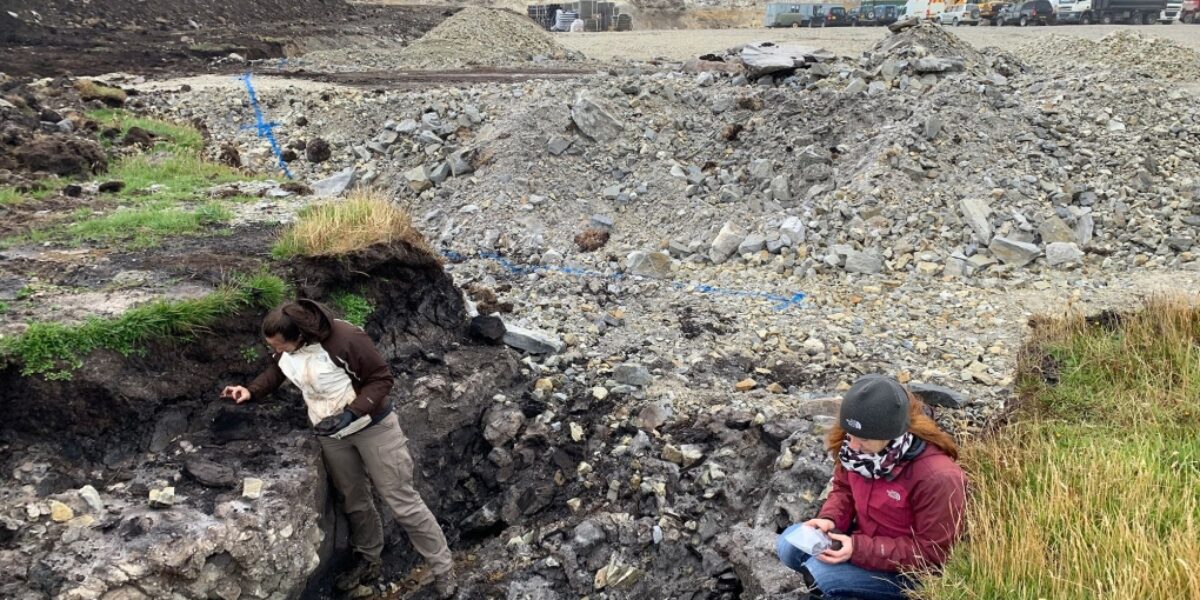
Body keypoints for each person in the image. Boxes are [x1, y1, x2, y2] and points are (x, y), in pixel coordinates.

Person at [221, 299, 457, 598]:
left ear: (300, 336)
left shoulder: (346, 339)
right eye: (273, 346)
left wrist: (351, 413)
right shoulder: (287, 350)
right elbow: (278, 368)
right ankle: (369, 559)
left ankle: (443, 568)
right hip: (330, 432)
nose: (276, 350)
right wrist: (251, 390)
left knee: (402, 501)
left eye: (281, 344)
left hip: (373, 427)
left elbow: (381, 379)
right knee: (354, 500)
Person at [776, 375, 968, 599]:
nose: (854, 446)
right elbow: (843, 489)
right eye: (851, 435)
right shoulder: (855, 452)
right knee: (789, 544)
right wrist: (830, 520)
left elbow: (934, 552)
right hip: (864, 542)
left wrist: (859, 549)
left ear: (891, 433)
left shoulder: (938, 477)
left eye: (864, 439)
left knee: (823, 575)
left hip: (909, 573)